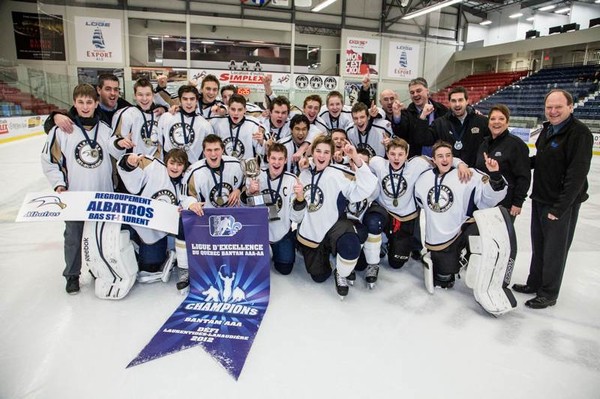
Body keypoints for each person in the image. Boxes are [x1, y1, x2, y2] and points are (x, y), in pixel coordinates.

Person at [512, 89, 593, 309]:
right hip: (540, 198)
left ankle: (548, 293)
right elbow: (541, 160)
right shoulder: (547, 129)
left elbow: (576, 176)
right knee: (539, 246)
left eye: (558, 107)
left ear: (570, 107)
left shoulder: (580, 134)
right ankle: (534, 283)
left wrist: (559, 208)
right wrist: (516, 164)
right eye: (549, 107)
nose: (553, 111)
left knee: (554, 250)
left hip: (559, 205)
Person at [41, 83, 122, 294]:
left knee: (101, 236)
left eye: (89, 102)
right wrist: (59, 183)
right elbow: (50, 160)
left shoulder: (105, 130)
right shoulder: (62, 130)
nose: (85, 107)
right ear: (74, 104)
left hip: (103, 193)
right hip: (75, 195)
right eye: (80, 102)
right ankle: (72, 275)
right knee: (73, 237)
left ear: (96, 104)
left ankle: (99, 268)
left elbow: (119, 157)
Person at [361, 138, 470, 288]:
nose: (396, 158)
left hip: (405, 218)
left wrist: (460, 164)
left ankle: (393, 245)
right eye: (392, 154)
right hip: (384, 212)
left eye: (400, 154)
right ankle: (382, 243)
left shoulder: (418, 164)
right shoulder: (378, 163)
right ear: (387, 153)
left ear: (407, 154)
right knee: (373, 222)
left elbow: (441, 158)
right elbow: (361, 159)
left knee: (396, 263)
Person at [414, 141, 507, 289]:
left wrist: (495, 175)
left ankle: (468, 255)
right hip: (437, 238)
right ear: (434, 159)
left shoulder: (468, 175)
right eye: (440, 156)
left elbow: (489, 199)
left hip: (462, 230)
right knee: (443, 279)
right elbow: (419, 201)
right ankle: (446, 258)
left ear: (453, 157)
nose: (444, 159)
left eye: (448, 156)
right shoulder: (423, 179)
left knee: (481, 233)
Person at [296, 135, 378, 298]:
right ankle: (310, 248)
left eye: (326, 152)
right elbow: (296, 214)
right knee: (318, 276)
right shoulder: (304, 174)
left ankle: (341, 272)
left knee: (350, 245)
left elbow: (365, 189)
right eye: (318, 151)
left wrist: (355, 157)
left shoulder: (339, 173)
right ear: (312, 152)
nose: (321, 156)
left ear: (332, 154)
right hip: (311, 231)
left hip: (335, 225)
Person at [177, 134, 244, 291]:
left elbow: (248, 181)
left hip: (230, 218)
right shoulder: (194, 170)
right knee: (183, 221)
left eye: (216, 150)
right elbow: (184, 195)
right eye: (209, 150)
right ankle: (184, 269)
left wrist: (240, 190)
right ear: (204, 151)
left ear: (222, 150)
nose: (213, 154)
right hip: (205, 218)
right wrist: (192, 203)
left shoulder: (235, 164)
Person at [116, 148, 188, 273]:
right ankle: (133, 243)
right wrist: (130, 162)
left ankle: (148, 252)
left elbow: (188, 199)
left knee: (150, 267)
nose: (175, 167)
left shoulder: (185, 181)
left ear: (184, 167)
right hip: (136, 223)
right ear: (166, 162)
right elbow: (130, 169)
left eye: (179, 164)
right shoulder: (154, 168)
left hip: (157, 232)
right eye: (172, 163)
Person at [242, 143, 305, 275]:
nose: (276, 162)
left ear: (285, 160)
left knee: (285, 269)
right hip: (259, 233)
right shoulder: (256, 177)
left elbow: (296, 218)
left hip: (281, 233)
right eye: (273, 158)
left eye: (280, 159)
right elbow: (244, 208)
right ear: (268, 159)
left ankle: (290, 242)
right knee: (254, 268)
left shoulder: (292, 180)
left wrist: (300, 199)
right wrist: (249, 192)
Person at [475, 104, 531, 221]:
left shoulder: (516, 145)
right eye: (493, 118)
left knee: (501, 238)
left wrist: (517, 202)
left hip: (505, 204)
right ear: (488, 122)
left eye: (501, 118)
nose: (496, 122)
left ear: (507, 122)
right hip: (484, 201)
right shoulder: (484, 144)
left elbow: (523, 176)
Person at [415, 86, 489, 167]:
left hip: (475, 172)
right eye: (453, 101)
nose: (457, 104)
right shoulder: (440, 123)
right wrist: (422, 117)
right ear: (449, 103)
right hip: (449, 173)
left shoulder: (481, 121)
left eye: (460, 100)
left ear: (467, 101)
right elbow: (423, 140)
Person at [44, 74, 134, 133]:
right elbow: (49, 128)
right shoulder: (89, 107)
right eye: (108, 89)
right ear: (99, 90)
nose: (113, 93)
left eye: (116, 89)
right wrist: (55, 117)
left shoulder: (127, 108)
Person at [158, 85, 214, 162]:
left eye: (192, 99)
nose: (189, 102)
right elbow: (159, 144)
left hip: (192, 168)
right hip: (169, 166)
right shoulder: (167, 117)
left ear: (196, 100)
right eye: (185, 99)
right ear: (180, 100)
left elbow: (208, 150)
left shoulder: (205, 124)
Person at [111, 78, 163, 159]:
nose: (144, 98)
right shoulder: (126, 114)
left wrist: (165, 108)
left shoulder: (160, 114)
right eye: (140, 95)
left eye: (148, 94)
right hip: (133, 165)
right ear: (135, 95)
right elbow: (113, 142)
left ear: (153, 95)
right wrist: (119, 143)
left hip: (155, 166)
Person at [210, 94, 266, 160]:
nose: (236, 113)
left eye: (240, 110)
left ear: (245, 110)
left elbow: (262, 152)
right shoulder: (217, 122)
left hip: (245, 168)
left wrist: (262, 142)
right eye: (233, 109)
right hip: (224, 167)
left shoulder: (253, 125)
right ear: (228, 109)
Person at [406, 77, 448, 157]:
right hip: (417, 159)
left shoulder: (442, 109)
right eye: (412, 92)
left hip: (440, 159)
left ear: (427, 91)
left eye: (418, 91)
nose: (415, 94)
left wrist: (471, 111)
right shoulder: (407, 114)